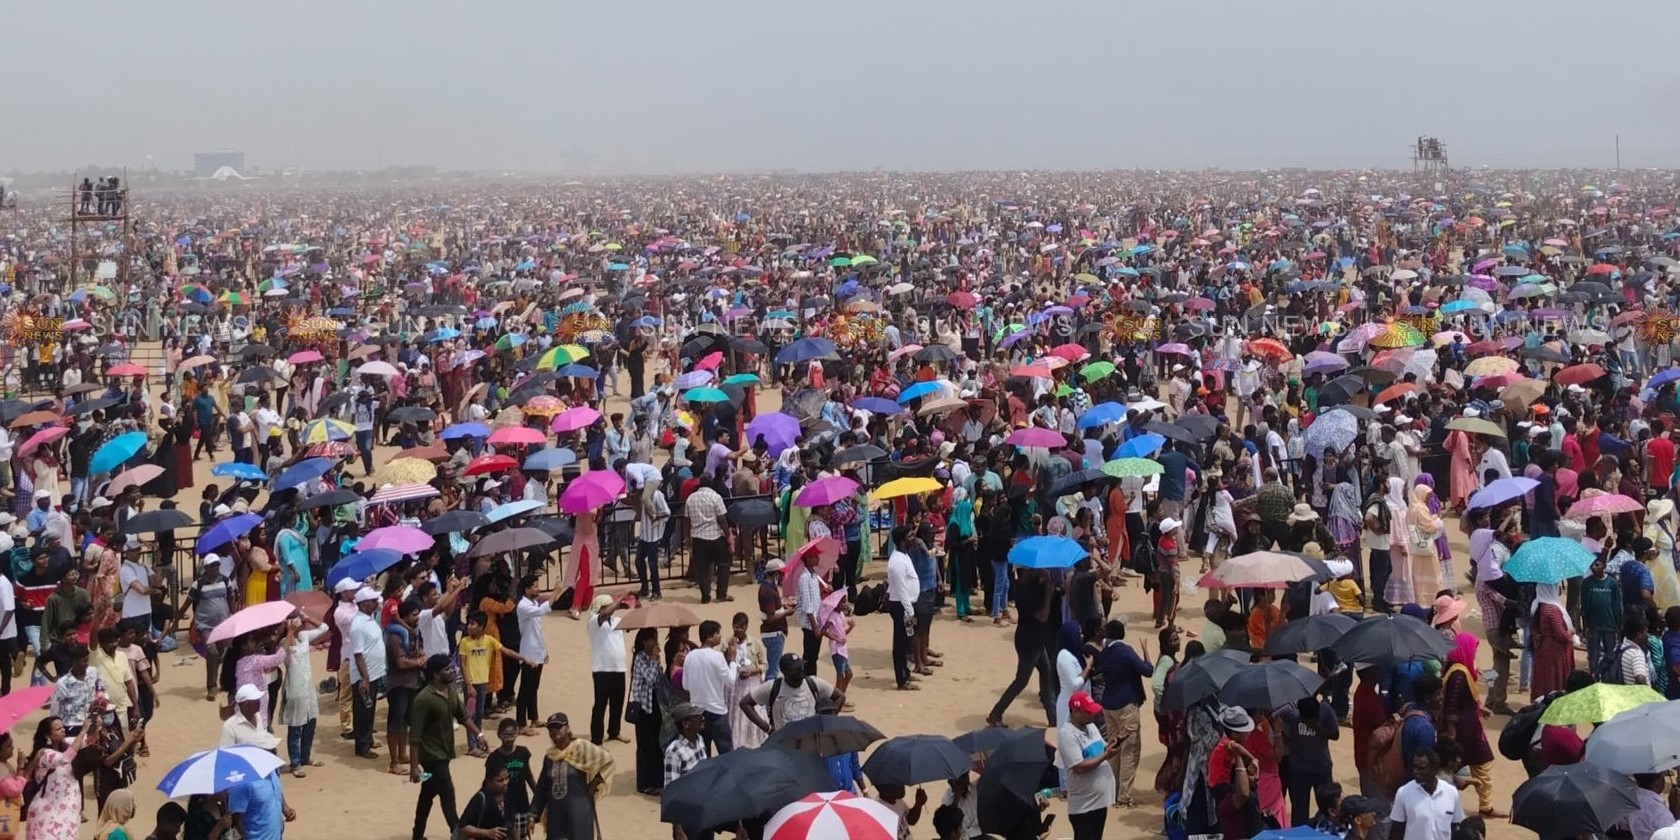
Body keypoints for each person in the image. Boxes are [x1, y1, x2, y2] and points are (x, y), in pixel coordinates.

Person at [410, 654, 481, 840]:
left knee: (428, 793)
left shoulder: (449, 691)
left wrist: (479, 734)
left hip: (445, 751)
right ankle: (457, 832)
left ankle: (417, 835)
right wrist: (413, 767)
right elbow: (415, 737)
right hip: (432, 756)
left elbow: (463, 716)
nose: (453, 672)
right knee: (447, 794)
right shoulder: (423, 700)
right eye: (447, 670)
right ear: (435, 674)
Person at [530, 713, 615, 840]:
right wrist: (533, 814)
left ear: (568, 728)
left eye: (558, 727)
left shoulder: (581, 748)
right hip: (556, 814)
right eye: (551, 728)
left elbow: (608, 760)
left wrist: (595, 782)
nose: (554, 731)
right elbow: (542, 787)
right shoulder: (549, 757)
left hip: (579, 812)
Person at [1094, 618, 1150, 807]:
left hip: (1108, 705)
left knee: (1113, 749)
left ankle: (1113, 791)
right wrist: (1146, 652)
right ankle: (1124, 796)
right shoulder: (1125, 651)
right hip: (1126, 706)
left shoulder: (1104, 653)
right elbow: (1147, 670)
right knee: (1130, 751)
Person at [1059, 690, 1118, 840]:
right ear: (1076, 712)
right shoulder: (1067, 734)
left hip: (1099, 802)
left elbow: (1101, 749)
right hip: (1084, 807)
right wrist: (1105, 755)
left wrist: (1111, 747)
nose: (1093, 715)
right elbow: (1079, 766)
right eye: (1088, 712)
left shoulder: (1091, 727)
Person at [740, 653, 843, 734]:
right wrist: (768, 729)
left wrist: (827, 721)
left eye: (801, 666)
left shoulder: (813, 683)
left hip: (809, 743)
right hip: (783, 745)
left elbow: (840, 696)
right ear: (784, 671)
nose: (801, 670)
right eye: (796, 668)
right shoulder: (773, 687)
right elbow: (745, 703)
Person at [1275, 695, 1338, 827]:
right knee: (1299, 811)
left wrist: (1316, 727)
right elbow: (1274, 715)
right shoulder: (1292, 714)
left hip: (1322, 768)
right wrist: (1285, 737)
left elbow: (1335, 734)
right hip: (1299, 771)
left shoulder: (1326, 710)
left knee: (1327, 808)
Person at [683, 619, 739, 754]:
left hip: (697, 713)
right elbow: (731, 681)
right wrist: (732, 661)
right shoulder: (717, 657)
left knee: (703, 754)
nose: (720, 636)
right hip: (716, 712)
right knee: (727, 753)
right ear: (709, 637)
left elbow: (685, 685)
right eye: (717, 633)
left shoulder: (690, 656)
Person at [348, 586, 389, 759]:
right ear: (363, 604)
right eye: (373, 601)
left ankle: (368, 739)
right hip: (364, 676)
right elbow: (358, 654)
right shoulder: (357, 624)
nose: (376, 603)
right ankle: (362, 746)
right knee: (363, 711)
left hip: (375, 672)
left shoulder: (369, 619)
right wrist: (364, 678)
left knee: (370, 708)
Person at [1388, 749, 1465, 840]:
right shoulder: (1404, 793)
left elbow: (1455, 828)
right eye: (1414, 767)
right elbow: (1396, 832)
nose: (1416, 772)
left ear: (1435, 769)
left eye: (1421, 768)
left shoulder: (1451, 793)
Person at [586, 594, 631, 746]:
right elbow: (604, 615)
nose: (613, 608)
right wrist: (619, 601)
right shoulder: (594, 621)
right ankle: (596, 738)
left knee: (617, 702)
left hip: (619, 668)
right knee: (600, 704)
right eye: (609, 606)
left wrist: (635, 604)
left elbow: (632, 624)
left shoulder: (617, 621)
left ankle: (614, 731)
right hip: (602, 669)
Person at [485, 718, 537, 840]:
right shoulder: (493, 758)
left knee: (522, 836)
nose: (509, 739)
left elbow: (528, 776)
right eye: (505, 735)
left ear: (517, 733)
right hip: (503, 806)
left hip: (521, 804)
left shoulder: (523, 753)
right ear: (499, 735)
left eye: (512, 735)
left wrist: (538, 797)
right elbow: (487, 783)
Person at [662, 703, 709, 840]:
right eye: (698, 717)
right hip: (687, 817)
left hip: (704, 810)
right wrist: (678, 828)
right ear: (686, 724)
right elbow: (671, 792)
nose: (703, 718)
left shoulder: (700, 740)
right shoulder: (674, 752)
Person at [884, 526, 919, 690]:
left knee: (906, 642)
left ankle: (905, 672)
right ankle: (901, 679)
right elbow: (902, 589)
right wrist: (910, 612)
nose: (914, 537)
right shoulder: (896, 562)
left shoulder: (904, 556)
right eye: (910, 535)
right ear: (902, 540)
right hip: (901, 606)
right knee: (900, 643)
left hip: (906, 605)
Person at [456, 766, 512, 840]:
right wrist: (487, 833)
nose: (505, 783)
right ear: (489, 782)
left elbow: (512, 823)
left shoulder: (508, 795)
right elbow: (463, 827)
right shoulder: (481, 799)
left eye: (507, 778)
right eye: (500, 780)